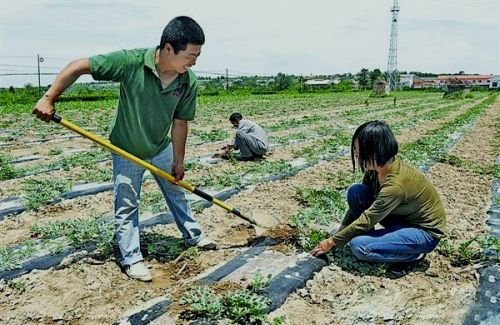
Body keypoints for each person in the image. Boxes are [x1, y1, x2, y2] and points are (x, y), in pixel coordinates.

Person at [32, 16, 216, 282]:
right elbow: (78, 66)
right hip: (127, 149)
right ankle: (132, 258)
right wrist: (49, 98)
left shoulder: (188, 81)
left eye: (197, 56)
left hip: (160, 147)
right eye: (190, 55)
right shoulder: (131, 62)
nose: (194, 62)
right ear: (168, 49)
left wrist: (178, 160)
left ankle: (194, 235)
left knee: (177, 192)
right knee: (127, 204)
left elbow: (180, 123)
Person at [310, 120, 446, 263]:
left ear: (375, 150)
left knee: (359, 246)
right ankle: (378, 240)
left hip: (423, 233)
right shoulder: (375, 171)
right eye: (355, 151)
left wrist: (332, 241)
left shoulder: (395, 185)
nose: (356, 155)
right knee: (356, 192)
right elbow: (362, 209)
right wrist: (340, 233)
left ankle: (412, 255)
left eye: (359, 151)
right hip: (400, 218)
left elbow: (368, 218)